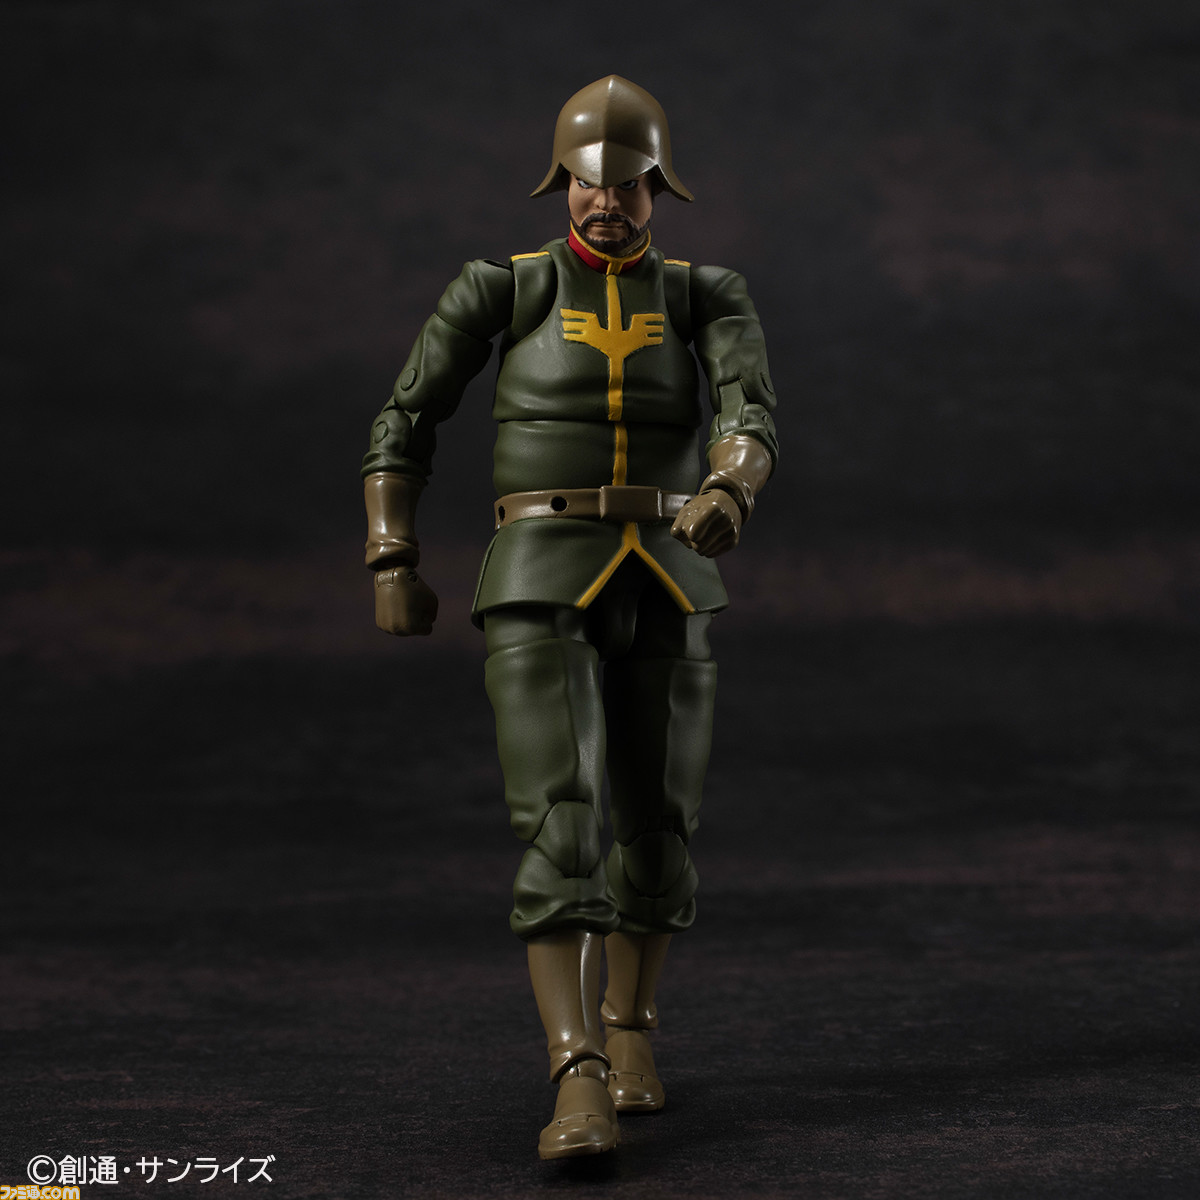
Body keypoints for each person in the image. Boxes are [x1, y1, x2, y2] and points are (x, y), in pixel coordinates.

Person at [361, 75, 777, 1160]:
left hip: (671, 572)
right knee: (563, 819)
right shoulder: (504, 288)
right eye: (589, 183)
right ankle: (575, 1068)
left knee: (660, 831)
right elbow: (407, 415)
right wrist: (392, 552)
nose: (607, 202)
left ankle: (631, 1031)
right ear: (562, 184)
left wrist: (731, 485)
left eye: (628, 185)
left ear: (657, 189)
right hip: (542, 570)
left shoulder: (705, 294)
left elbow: (749, 408)